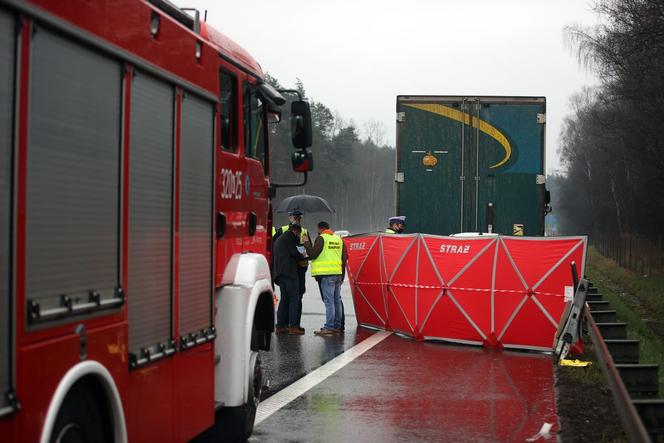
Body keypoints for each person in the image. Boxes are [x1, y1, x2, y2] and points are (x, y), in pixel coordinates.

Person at [304, 221, 347, 336]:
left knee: (329, 302)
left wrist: (307, 243)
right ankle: (337, 326)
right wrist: (342, 275)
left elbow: (313, 254)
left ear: (320, 229)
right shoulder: (339, 239)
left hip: (327, 275)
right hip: (337, 273)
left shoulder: (322, 238)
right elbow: (344, 258)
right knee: (337, 300)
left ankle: (329, 327)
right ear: (329, 228)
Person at [272, 224, 307, 335]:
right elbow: (294, 252)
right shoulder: (289, 237)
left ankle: (280, 326)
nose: (297, 235)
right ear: (295, 231)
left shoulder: (281, 238)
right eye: (298, 233)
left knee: (285, 299)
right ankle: (293, 326)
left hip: (280, 273)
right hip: (290, 273)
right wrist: (303, 255)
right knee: (294, 299)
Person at [273, 209, 309, 312]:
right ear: (290, 217)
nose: (297, 219)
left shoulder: (305, 231)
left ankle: (295, 323)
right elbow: (274, 247)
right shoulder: (283, 230)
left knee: (298, 296)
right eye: (294, 217)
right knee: (288, 297)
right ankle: (289, 323)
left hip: (300, 268)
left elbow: (309, 248)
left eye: (299, 217)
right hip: (287, 269)